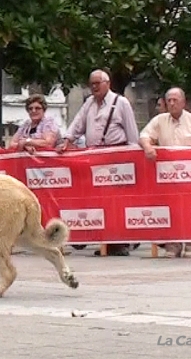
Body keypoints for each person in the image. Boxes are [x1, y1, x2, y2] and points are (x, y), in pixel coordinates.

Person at [58, 69, 139, 257]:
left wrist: (132, 156)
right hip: (95, 159)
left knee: (117, 203)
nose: (94, 87)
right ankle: (104, 240)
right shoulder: (89, 103)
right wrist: (67, 141)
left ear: (107, 83)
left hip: (116, 159)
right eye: (91, 84)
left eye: (97, 83)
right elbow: (77, 124)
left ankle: (119, 242)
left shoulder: (121, 103)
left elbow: (132, 133)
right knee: (99, 202)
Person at [139, 87, 191, 258]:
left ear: (183, 102)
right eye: (169, 100)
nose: (172, 103)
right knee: (172, 211)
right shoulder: (159, 121)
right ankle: (173, 244)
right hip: (168, 178)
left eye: (175, 100)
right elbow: (144, 135)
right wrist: (148, 146)